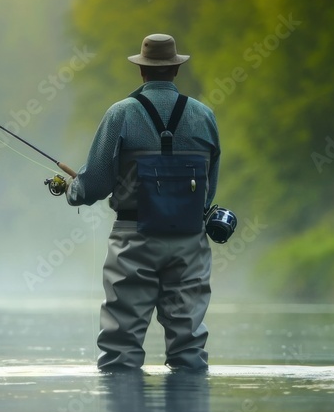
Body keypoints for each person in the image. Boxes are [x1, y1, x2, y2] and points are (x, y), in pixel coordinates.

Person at [66, 33, 220, 371]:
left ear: (142, 72)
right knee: (189, 346)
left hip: (134, 238)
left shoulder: (120, 114)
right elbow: (209, 188)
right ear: (176, 70)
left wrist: (72, 191)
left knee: (120, 348)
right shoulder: (204, 116)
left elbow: (95, 183)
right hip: (190, 239)